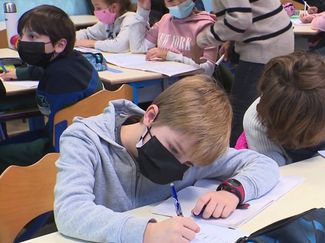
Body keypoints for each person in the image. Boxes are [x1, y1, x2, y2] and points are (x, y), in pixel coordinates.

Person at [54, 75, 280, 242]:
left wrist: (234, 191)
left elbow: (264, 164)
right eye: (172, 149)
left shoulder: (193, 151)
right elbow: (70, 211)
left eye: (188, 164)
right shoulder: (85, 139)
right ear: (151, 116)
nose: (177, 165)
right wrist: (147, 232)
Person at [0, 5, 102, 173]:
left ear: (59, 44)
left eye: (32, 37)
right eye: (22, 35)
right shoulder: (70, 60)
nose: (23, 42)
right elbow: (42, 68)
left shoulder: (61, 79)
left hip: (66, 148)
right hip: (78, 137)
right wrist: (19, 73)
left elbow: (62, 132)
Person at [196, 0, 294, 146]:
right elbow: (242, 12)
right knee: (263, 106)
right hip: (271, 37)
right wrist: (231, 39)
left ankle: (235, 158)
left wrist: (201, 39)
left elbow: (240, 19)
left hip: (264, 46)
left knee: (241, 112)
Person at [129, 0, 217, 76]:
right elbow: (138, 48)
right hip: (162, 80)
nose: (177, 4)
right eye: (170, 1)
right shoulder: (165, 20)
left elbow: (208, 70)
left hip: (189, 87)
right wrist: (142, 12)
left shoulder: (206, 25)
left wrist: (169, 55)